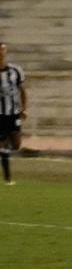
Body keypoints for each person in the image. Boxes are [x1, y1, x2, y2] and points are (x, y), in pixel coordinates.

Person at [0, 43, 28, 186]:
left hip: (14, 113)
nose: (1, 53)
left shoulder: (15, 71)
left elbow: (22, 90)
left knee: (16, 144)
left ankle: (4, 150)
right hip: (0, 115)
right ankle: (7, 178)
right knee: (2, 144)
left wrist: (24, 108)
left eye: (3, 50)